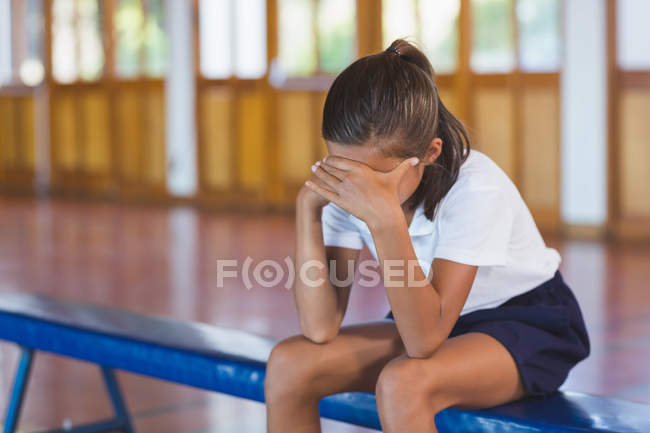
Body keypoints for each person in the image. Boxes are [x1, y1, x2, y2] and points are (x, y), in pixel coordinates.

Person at [264, 39, 590, 433]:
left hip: (524, 322)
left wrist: (385, 221)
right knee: (290, 363)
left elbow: (423, 343)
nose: (355, 188)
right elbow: (319, 327)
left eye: (376, 178)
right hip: (429, 315)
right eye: (343, 168)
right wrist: (308, 211)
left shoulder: (474, 186)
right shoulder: (343, 186)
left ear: (430, 153)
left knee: (403, 385)